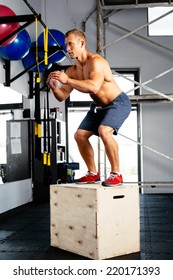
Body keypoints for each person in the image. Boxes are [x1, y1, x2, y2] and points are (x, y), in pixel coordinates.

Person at [47, 29, 131, 186]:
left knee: (104, 131)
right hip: (98, 107)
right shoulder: (72, 70)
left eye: (70, 44)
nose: (68, 49)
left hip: (117, 102)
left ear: (82, 43)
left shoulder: (97, 62)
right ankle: (92, 173)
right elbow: (62, 96)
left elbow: (93, 87)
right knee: (79, 135)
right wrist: (54, 88)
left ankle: (116, 174)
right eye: (66, 45)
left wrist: (67, 80)